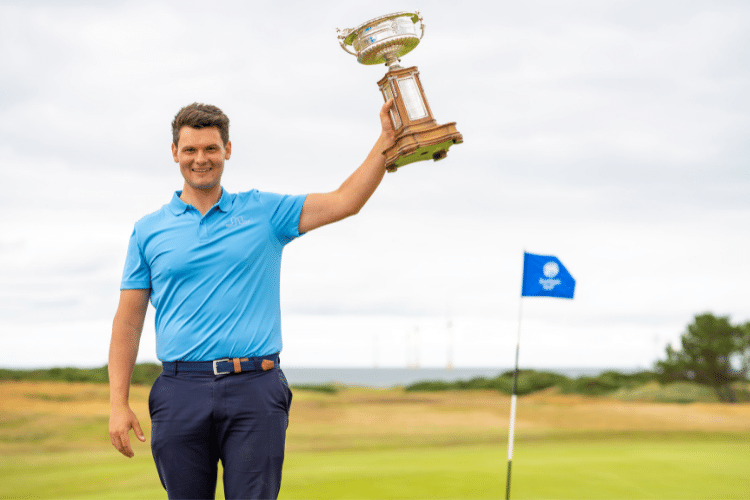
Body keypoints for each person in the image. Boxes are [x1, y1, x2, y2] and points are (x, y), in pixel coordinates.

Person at [108, 99, 396, 499]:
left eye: (211, 148)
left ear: (227, 149)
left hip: (255, 388)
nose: (200, 159)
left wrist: (387, 138)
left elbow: (346, 201)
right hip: (180, 390)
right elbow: (127, 322)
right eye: (190, 149)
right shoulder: (148, 231)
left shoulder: (266, 212)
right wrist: (117, 403)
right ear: (175, 153)